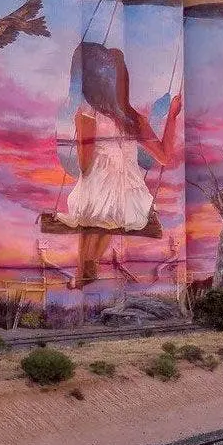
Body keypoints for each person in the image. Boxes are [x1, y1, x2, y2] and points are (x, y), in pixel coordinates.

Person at [55, 42, 182, 283]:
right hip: (127, 197)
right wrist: (172, 117)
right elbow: (164, 156)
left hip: (104, 191)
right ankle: (87, 268)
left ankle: (84, 269)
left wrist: (82, 133)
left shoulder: (88, 112)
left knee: (95, 210)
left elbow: (84, 164)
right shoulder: (133, 119)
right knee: (105, 214)